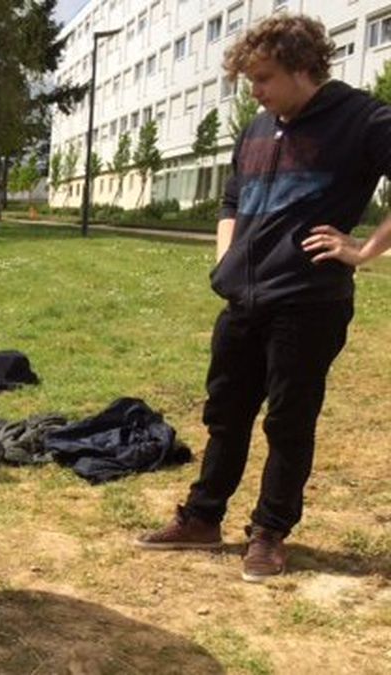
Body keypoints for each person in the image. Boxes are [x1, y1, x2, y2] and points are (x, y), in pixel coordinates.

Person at [136, 14, 391, 582]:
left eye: (265, 79)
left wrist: (365, 249)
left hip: (308, 301)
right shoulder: (258, 127)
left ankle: (269, 532)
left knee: (289, 421)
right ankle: (203, 520)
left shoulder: (363, 119)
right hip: (242, 301)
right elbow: (232, 200)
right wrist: (226, 259)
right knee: (225, 414)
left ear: (304, 69)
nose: (255, 92)